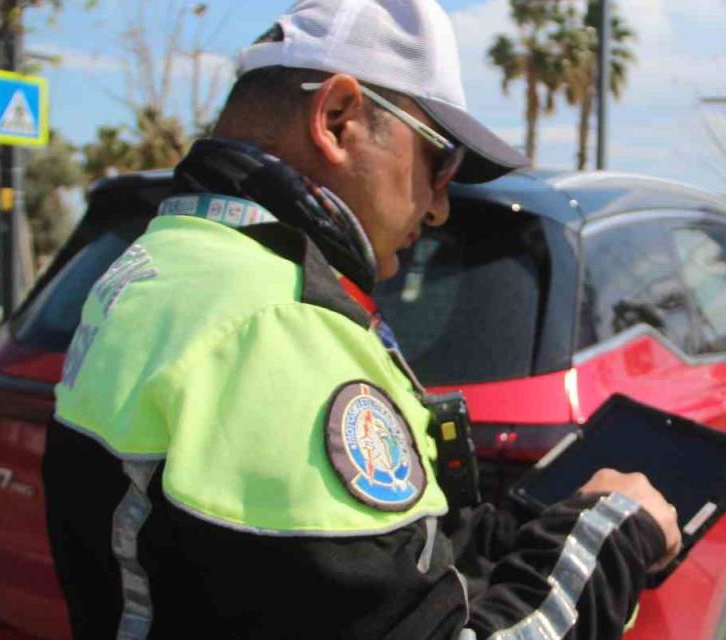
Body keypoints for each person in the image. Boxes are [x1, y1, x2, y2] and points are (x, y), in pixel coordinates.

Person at [40, 1, 681, 638]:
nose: (439, 209)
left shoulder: (169, 258)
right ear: (339, 119)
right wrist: (608, 534)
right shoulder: (278, 325)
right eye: (441, 164)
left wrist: (525, 531)